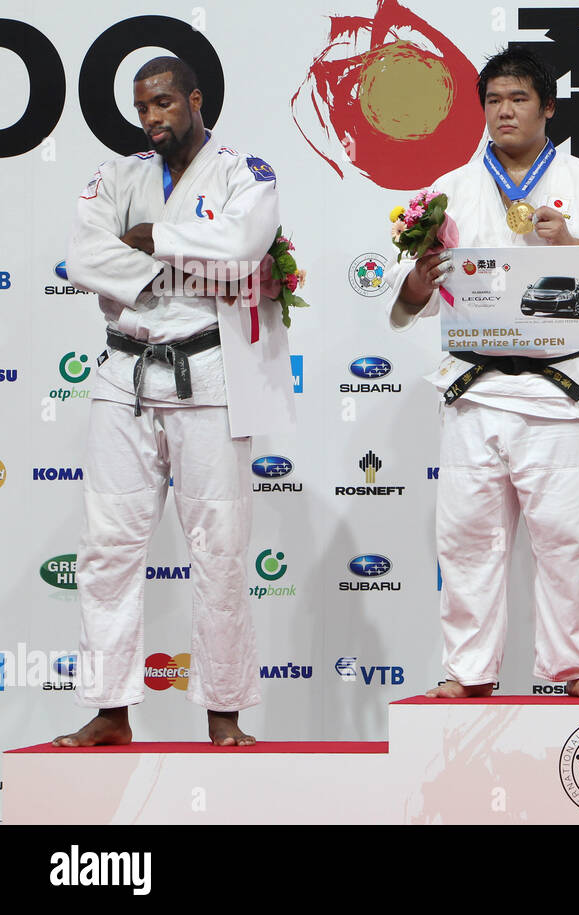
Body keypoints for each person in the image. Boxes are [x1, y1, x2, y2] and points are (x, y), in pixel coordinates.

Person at [383, 47, 579, 699]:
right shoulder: (446, 192)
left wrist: (570, 246)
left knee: (569, 542)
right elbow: (407, 295)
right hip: (473, 389)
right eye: (495, 101)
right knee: (468, 541)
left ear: (548, 107)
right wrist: (418, 279)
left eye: (519, 99)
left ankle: (578, 666)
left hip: (553, 387)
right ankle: (469, 669)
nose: (505, 111)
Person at [53, 56, 294, 747]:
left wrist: (156, 239)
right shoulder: (117, 176)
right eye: (142, 109)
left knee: (220, 549)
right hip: (123, 376)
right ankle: (110, 708)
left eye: (163, 103)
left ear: (194, 99)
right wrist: (184, 271)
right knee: (107, 548)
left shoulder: (245, 173)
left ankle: (224, 713)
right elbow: (84, 255)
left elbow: (248, 245)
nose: (152, 118)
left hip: (209, 375)